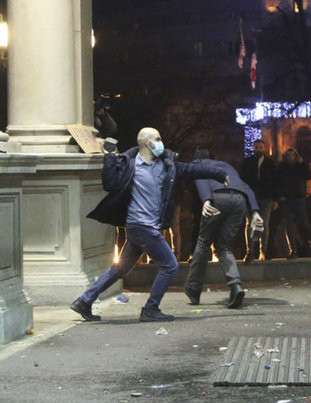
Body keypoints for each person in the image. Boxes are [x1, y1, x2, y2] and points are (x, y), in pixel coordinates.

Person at [69, 127, 229, 323]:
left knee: (120, 268)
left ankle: (84, 301)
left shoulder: (166, 166)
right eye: (157, 138)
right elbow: (109, 184)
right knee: (170, 265)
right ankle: (151, 308)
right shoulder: (129, 165)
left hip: (142, 227)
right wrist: (110, 156)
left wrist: (219, 174)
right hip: (141, 225)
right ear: (146, 141)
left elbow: (191, 169)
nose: (161, 142)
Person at [184, 150, 263, 309]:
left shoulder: (197, 165)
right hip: (239, 200)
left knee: (203, 243)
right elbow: (245, 186)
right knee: (224, 246)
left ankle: (193, 288)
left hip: (217, 198)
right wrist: (255, 212)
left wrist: (206, 200)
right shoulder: (226, 165)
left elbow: (200, 178)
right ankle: (236, 285)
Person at [276, 147, 311, 259]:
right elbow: (277, 182)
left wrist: (303, 164)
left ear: (296, 156)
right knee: (290, 226)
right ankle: (293, 251)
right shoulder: (282, 168)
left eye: (292, 155)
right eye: (288, 155)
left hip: (299, 199)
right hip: (287, 199)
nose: (290, 157)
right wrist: (280, 196)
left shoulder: (300, 166)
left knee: (305, 224)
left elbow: (308, 175)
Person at [240, 139, 277, 262]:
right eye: (257, 147)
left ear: (264, 148)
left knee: (264, 224)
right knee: (250, 224)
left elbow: (274, 182)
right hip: (251, 197)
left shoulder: (270, 164)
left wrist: (274, 199)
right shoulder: (248, 163)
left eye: (260, 147)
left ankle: (264, 251)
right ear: (254, 148)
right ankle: (250, 252)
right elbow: (243, 180)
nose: (259, 150)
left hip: (266, 197)